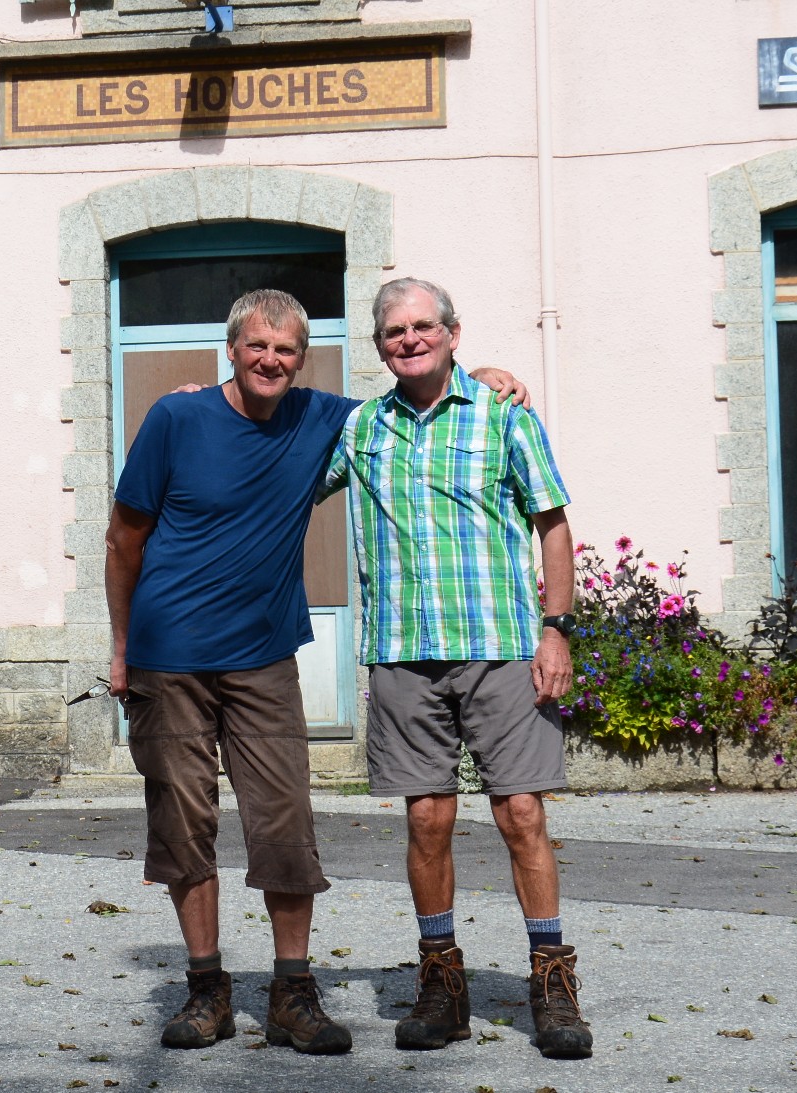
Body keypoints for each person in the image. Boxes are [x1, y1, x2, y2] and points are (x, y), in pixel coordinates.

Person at [105, 288, 526, 1055]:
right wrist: (121, 647)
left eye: (286, 349)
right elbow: (123, 538)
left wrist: (488, 373)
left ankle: (292, 993)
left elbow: (415, 396)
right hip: (168, 656)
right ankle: (206, 989)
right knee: (183, 825)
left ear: (302, 358)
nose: (270, 360)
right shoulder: (175, 417)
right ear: (231, 348)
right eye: (257, 345)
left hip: (264, 658)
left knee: (285, 826)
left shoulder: (325, 418)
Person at [321, 277, 592, 1059]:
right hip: (404, 650)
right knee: (427, 819)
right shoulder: (361, 428)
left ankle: (552, 980)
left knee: (522, 814)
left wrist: (557, 630)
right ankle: (441, 982)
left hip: (500, 644)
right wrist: (212, 400)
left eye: (422, 327)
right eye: (394, 332)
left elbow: (552, 523)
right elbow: (278, 463)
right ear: (380, 347)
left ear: (452, 332)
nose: (409, 340)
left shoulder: (504, 414)